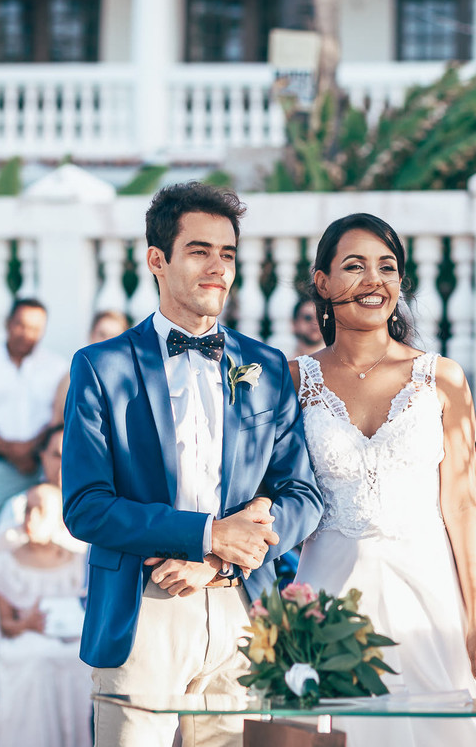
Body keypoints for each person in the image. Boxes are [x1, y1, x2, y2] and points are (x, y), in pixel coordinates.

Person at [62, 181, 323, 746]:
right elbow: (86, 507)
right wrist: (207, 533)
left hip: (242, 608)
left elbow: (303, 494)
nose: (218, 267)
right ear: (157, 260)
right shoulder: (102, 367)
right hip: (144, 604)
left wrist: (222, 559)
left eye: (227, 253)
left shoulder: (267, 366)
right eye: (199, 251)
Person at [292, 212, 476, 747]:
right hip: (328, 596)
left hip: (429, 598)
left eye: (387, 267)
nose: (374, 280)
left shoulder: (443, 378)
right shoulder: (293, 379)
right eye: (355, 266)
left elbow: (462, 506)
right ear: (322, 283)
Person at [0, 425, 76, 747]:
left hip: (74, 602)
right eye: (56, 455)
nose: (63, 465)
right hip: (23, 596)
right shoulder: (18, 503)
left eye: (71, 456)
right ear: (43, 457)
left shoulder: (94, 503)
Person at [0, 299, 67, 610]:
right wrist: (14, 451)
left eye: (35, 328)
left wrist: (31, 451)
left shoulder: (56, 367)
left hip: (41, 468)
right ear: (8, 323)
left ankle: (37, 617)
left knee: (46, 540)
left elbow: (57, 417)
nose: (26, 333)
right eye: (20, 325)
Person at [0, 483, 90, 747]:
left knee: (82, 659)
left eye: (40, 511)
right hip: (27, 637)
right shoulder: (6, 562)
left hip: (72, 637)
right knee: (39, 657)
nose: (31, 519)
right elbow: (5, 624)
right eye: (27, 510)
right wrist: (27, 623)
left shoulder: (78, 561)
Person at [50, 310, 129, 427]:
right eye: (102, 334)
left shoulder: (132, 381)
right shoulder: (71, 377)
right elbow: (57, 424)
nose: (107, 341)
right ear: (91, 335)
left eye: (114, 336)